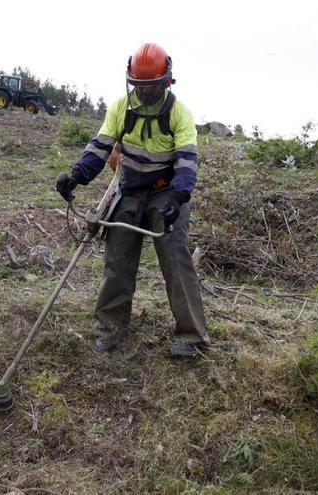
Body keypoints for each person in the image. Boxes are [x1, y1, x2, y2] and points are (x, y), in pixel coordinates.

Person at [55, 42, 210, 357]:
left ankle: (190, 336)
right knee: (118, 259)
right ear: (131, 81)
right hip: (129, 188)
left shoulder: (179, 113)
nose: (145, 91)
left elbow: (186, 163)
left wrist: (178, 198)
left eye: (151, 86)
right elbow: (100, 147)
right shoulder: (120, 108)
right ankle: (109, 329)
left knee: (176, 257)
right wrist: (76, 176)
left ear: (166, 81)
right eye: (139, 85)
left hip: (167, 190)